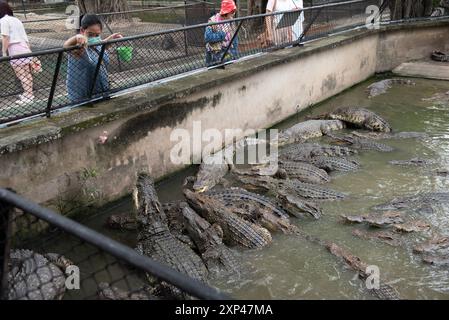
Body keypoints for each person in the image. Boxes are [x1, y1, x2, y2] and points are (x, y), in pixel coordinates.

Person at [64, 14, 122, 103]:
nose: (94, 38)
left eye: (97, 35)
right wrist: (76, 38)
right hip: (83, 96)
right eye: (90, 34)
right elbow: (66, 46)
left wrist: (111, 39)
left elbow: (101, 46)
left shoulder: (97, 43)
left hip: (101, 89)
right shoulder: (78, 48)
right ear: (82, 30)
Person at [0, 1, 35, 105]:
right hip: (24, 48)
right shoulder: (16, 20)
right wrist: (29, 51)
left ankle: (28, 97)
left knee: (21, 75)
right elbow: (24, 36)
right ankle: (28, 93)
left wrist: (4, 53)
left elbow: (6, 37)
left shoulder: (3, 21)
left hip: (15, 49)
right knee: (27, 74)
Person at [204, 0, 238, 66]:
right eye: (232, 12)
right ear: (227, 12)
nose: (233, 14)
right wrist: (222, 34)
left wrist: (235, 54)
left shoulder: (231, 21)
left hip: (228, 52)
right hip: (215, 53)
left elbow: (234, 38)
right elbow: (207, 37)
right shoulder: (213, 21)